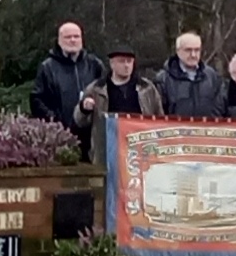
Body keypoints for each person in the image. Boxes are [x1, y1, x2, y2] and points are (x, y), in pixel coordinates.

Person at [73, 44, 164, 164]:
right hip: (108, 151)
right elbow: (79, 120)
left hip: (142, 149)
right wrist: (84, 108)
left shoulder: (147, 88)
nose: (126, 65)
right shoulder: (96, 89)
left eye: (129, 61)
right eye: (122, 61)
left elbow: (160, 118)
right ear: (112, 64)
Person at [30, 21, 105, 161]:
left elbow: (106, 95)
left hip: (91, 137)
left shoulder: (95, 65)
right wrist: (54, 121)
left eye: (76, 36)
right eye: (68, 37)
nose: (72, 40)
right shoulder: (48, 67)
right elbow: (36, 99)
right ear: (59, 40)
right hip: (60, 136)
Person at [154, 32, 226, 117]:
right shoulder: (163, 79)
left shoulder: (212, 76)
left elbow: (221, 108)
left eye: (197, 50)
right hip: (176, 129)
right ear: (178, 51)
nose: (193, 55)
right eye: (188, 50)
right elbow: (158, 113)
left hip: (206, 129)